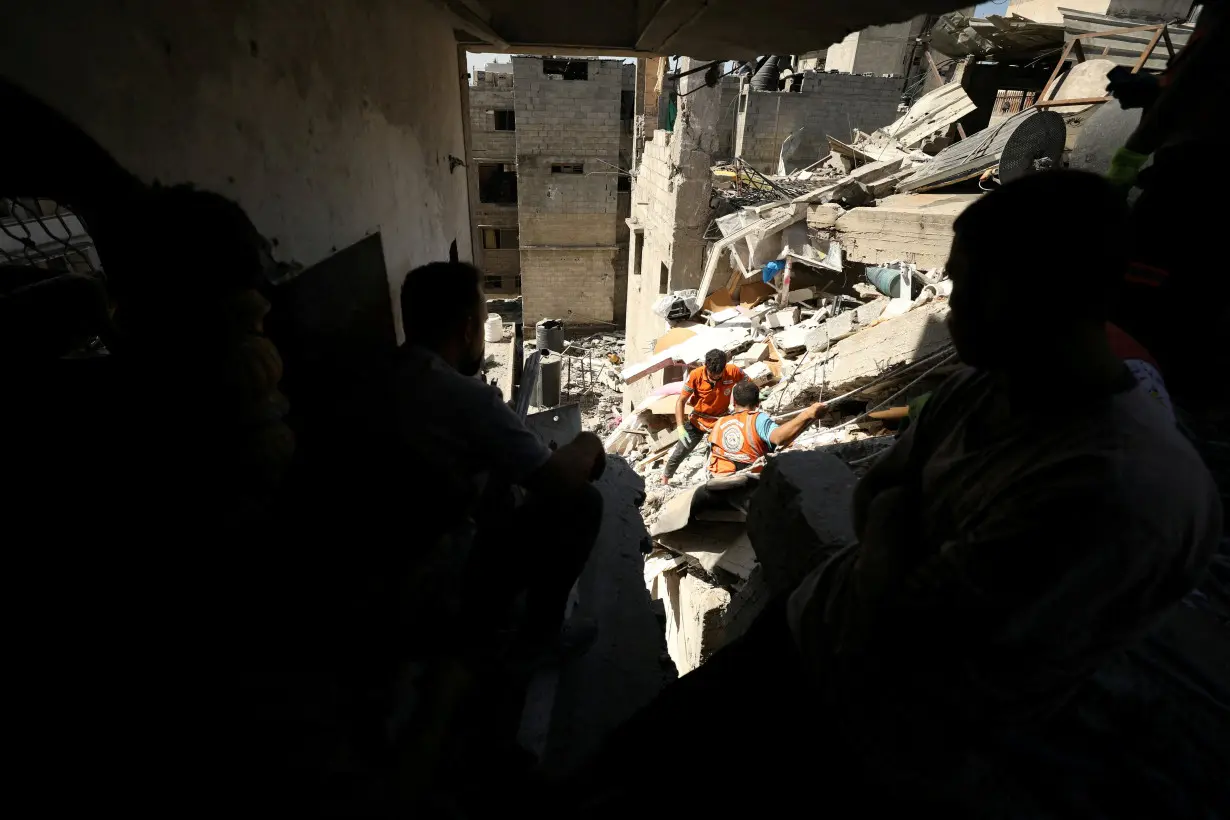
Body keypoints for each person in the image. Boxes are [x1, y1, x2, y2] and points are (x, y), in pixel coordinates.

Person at [570, 171, 1224, 815]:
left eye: (970, 287)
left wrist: (894, 527)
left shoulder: (1122, 491)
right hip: (808, 629)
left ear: (1046, 295)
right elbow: (879, 495)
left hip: (865, 730)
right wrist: (896, 532)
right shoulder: (984, 383)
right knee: (637, 756)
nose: (951, 306)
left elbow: (921, 626)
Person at [394, 261, 607, 648]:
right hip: (438, 575)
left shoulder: (388, 374)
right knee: (583, 503)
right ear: (469, 328)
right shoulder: (463, 397)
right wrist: (589, 442)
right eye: (483, 315)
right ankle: (536, 637)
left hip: (383, 564)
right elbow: (556, 479)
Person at [662, 348, 744, 484]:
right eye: (713, 374)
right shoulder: (696, 375)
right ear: (706, 366)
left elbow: (748, 384)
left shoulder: (733, 371)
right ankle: (664, 479)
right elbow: (681, 401)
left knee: (732, 448)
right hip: (698, 421)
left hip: (721, 420)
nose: (716, 377)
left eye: (719, 374)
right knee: (681, 450)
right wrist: (680, 427)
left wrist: (747, 401)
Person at [707, 380, 823, 475]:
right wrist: (807, 414)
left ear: (734, 403)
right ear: (757, 403)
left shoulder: (719, 422)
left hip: (720, 477)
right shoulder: (757, 419)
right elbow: (779, 438)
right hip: (750, 481)